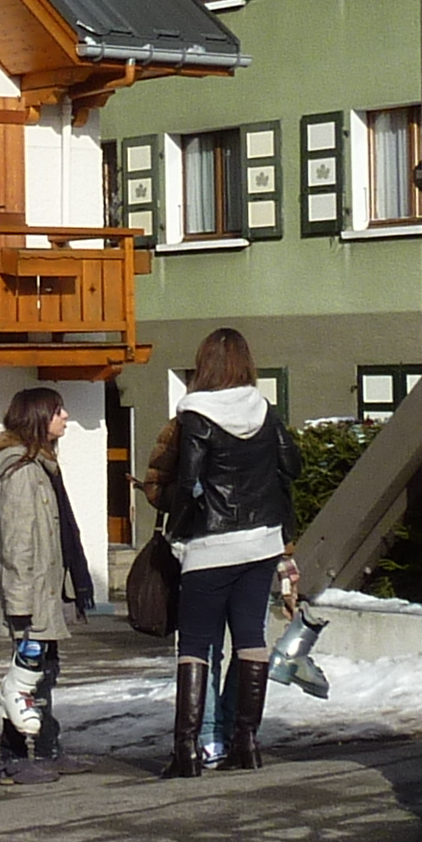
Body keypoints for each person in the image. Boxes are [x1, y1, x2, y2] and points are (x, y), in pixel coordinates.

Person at [141, 329, 293, 778]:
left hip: (210, 545)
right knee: (250, 639)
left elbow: (188, 482)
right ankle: (245, 743)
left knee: (195, 644)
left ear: (203, 364)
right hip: (261, 543)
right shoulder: (265, 411)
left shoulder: (196, 416)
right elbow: (292, 466)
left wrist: (179, 522)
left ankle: (187, 750)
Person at [0, 384, 95, 788]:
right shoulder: (21, 471)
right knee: (25, 677)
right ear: (37, 418)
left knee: (45, 672)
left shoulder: (43, 466)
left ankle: (47, 749)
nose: (65, 418)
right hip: (29, 596)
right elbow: (17, 542)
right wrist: (19, 603)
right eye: (58, 411)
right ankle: (11, 759)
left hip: (47, 590)